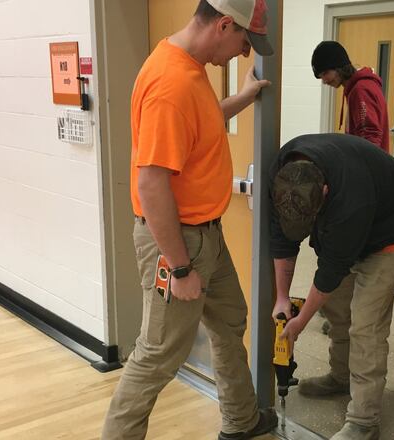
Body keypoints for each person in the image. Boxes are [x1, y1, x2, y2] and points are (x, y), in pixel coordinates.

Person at [101, 1, 276, 439]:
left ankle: (241, 421)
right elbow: (152, 185)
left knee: (230, 320)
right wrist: (179, 267)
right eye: (243, 42)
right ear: (222, 25)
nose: (242, 54)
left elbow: (202, 122)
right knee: (158, 354)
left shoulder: (190, 67)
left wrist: (242, 98)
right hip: (178, 243)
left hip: (205, 237)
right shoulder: (170, 82)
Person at [269, 133, 394, 440]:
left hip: (391, 232)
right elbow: (282, 240)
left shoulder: (351, 199)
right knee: (337, 309)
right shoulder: (282, 175)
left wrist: (300, 322)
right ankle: (341, 377)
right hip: (346, 224)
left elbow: (330, 272)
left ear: (324, 192)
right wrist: (282, 298)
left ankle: (364, 421)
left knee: (366, 325)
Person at [311, 41, 390, 152]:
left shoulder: (361, 89)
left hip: (369, 166)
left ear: (339, 67)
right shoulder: (357, 88)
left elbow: (370, 136)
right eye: (321, 77)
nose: (324, 81)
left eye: (325, 73)